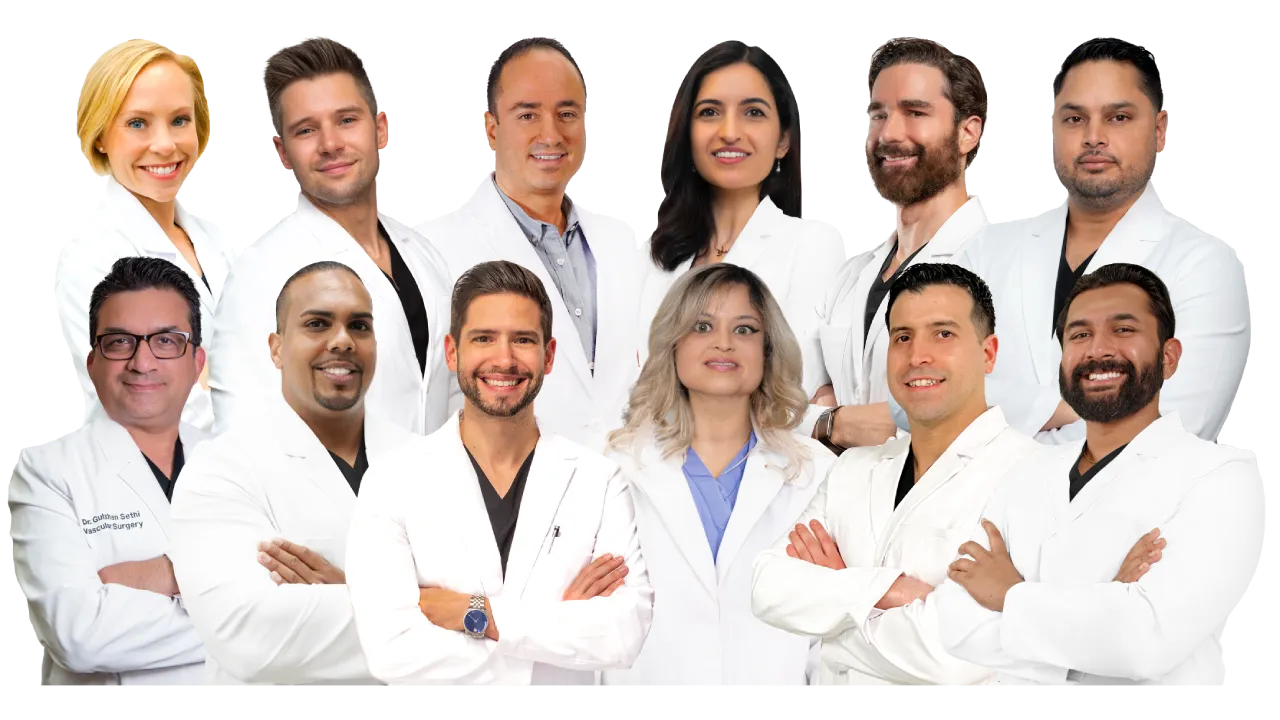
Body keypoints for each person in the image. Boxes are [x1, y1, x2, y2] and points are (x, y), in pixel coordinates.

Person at [933, 263, 1264, 687]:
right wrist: (1106, 603)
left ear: (1168, 357)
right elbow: (955, 621)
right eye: (1079, 335)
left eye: (1123, 330)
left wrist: (1009, 595)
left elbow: (1146, 643)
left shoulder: (1223, 479)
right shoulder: (1026, 472)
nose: (1098, 349)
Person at [928, 36, 1251, 444]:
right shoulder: (987, 249)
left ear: (1159, 130)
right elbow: (923, 387)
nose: (1093, 137)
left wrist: (990, 420)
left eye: (1118, 117)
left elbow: (1160, 439)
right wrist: (1057, 411)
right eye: (1074, 118)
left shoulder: (1204, 268)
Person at [344, 261, 653, 687]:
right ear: (453, 352)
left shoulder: (599, 482)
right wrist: (554, 630)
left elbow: (622, 635)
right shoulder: (392, 481)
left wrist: (476, 613)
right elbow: (391, 652)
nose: (504, 360)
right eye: (484, 338)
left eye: (522, 340)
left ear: (548, 355)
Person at [750, 263, 1039, 687]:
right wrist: (893, 591)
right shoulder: (852, 468)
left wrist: (834, 621)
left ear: (988, 353)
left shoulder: (1031, 476)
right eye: (903, 337)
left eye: (943, 334)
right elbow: (767, 586)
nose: (917, 356)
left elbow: (955, 657)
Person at [170, 262, 413, 687]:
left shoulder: (426, 460)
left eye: (359, 326)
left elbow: (496, 604)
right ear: (277, 348)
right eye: (317, 324)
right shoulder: (220, 471)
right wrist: (428, 608)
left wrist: (346, 591)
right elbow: (250, 636)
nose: (342, 340)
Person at [603, 263, 835, 687]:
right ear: (673, 344)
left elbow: (832, 639)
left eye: (744, 329)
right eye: (702, 326)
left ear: (768, 349)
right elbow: (595, 628)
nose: (724, 343)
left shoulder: (818, 473)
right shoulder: (614, 469)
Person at [210, 34, 452, 437]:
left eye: (346, 120)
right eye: (306, 130)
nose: (330, 144)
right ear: (283, 152)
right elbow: (242, 434)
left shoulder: (424, 255)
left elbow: (450, 392)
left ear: (381, 129)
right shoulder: (261, 272)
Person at [418, 35, 651, 452]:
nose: (551, 134)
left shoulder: (628, 242)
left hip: (631, 480)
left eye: (567, 114)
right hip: (506, 483)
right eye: (527, 115)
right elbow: (424, 409)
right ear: (492, 129)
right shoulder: (432, 249)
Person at [12, 257, 209, 686]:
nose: (142, 362)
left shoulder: (237, 464)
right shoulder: (44, 471)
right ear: (92, 362)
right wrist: (235, 598)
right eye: (120, 342)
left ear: (197, 362)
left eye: (166, 341)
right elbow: (80, 636)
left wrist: (159, 574)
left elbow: (301, 603)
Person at [638, 40, 853, 432]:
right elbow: (633, 395)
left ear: (783, 140)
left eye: (753, 112)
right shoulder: (653, 258)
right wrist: (816, 416)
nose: (730, 132)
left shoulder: (817, 244)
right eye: (710, 112)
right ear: (688, 133)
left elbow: (795, 396)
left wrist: (817, 418)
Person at [811, 37, 991, 454]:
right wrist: (832, 421)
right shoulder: (852, 273)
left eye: (915, 112)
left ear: (967, 132)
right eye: (879, 114)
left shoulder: (1000, 263)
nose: (889, 133)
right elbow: (789, 401)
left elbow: (998, 410)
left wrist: (836, 420)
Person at [58, 38, 236, 432]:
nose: (165, 144)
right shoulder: (93, 260)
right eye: (138, 123)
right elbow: (161, 405)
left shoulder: (214, 240)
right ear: (100, 135)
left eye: (180, 120)